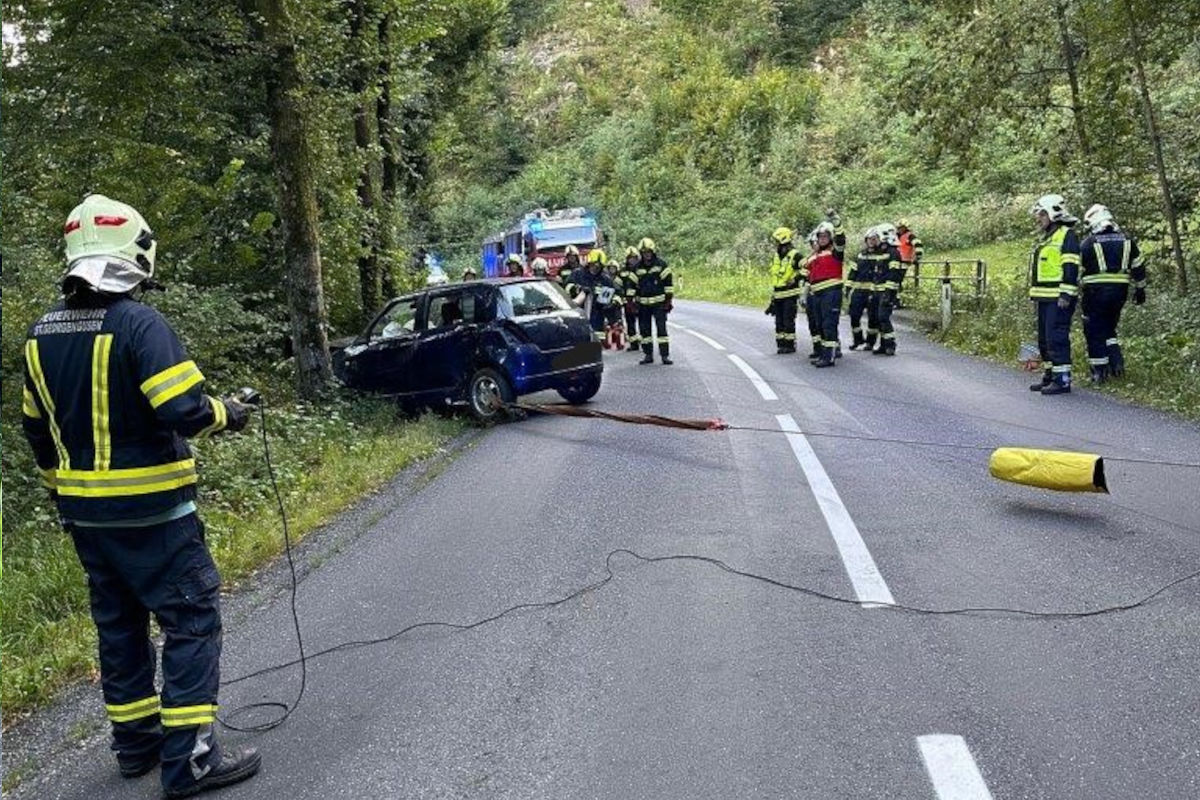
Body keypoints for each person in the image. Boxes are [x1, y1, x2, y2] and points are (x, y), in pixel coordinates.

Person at [21, 194, 261, 798]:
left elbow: (36, 431)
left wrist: (62, 498)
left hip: (87, 519)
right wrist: (228, 413)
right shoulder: (138, 323)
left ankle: (136, 746)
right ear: (135, 254)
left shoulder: (39, 334)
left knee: (120, 627)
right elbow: (179, 407)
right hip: (154, 515)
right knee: (190, 621)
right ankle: (192, 761)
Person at [1079, 204, 1147, 383]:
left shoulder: (1089, 243)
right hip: (1120, 293)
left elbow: (1076, 268)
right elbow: (1138, 266)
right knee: (1109, 327)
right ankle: (1117, 365)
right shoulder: (1127, 241)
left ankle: (1099, 372)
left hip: (1095, 293)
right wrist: (1140, 289)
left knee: (1094, 330)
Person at [1028, 194, 1081, 394]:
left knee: (1056, 338)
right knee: (1044, 339)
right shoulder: (1049, 237)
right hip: (1045, 297)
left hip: (1058, 298)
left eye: (1041, 214)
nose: (1038, 219)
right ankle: (1050, 376)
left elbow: (1070, 266)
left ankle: (1063, 380)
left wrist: (1066, 295)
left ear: (1052, 213)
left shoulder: (1067, 235)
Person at [807, 210, 847, 368]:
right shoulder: (816, 255)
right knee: (820, 324)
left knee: (829, 324)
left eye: (825, 236)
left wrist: (836, 222)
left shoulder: (836, 252)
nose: (822, 239)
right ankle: (824, 353)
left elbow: (841, 238)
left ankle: (829, 357)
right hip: (817, 294)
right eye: (820, 236)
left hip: (831, 293)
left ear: (830, 238)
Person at [634, 237, 674, 365]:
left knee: (661, 331)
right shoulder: (637, 267)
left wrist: (668, 301)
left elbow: (668, 284)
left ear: (653, 252)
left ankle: (664, 356)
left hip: (659, 305)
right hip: (643, 305)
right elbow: (631, 286)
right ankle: (648, 355)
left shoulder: (661, 265)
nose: (647, 254)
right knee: (645, 332)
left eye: (649, 252)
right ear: (641, 253)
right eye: (644, 252)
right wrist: (631, 303)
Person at [565, 249, 617, 343]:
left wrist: (609, 306)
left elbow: (610, 297)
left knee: (597, 338)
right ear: (589, 263)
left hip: (597, 313)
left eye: (599, 266)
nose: (596, 267)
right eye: (594, 264)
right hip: (579, 310)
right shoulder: (578, 274)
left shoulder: (605, 279)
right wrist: (578, 289)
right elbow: (567, 287)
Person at [765, 227, 803, 354]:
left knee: (788, 321)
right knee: (779, 322)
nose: (775, 243)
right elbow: (776, 278)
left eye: (776, 240)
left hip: (790, 295)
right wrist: (773, 298)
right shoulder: (777, 255)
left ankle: (790, 345)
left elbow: (807, 267)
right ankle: (781, 345)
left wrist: (796, 279)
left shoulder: (795, 255)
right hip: (778, 295)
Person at [871, 223, 904, 356]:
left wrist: (888, 293)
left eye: (877, 238)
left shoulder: (893, 253)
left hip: (887, 292)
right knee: (878, 318)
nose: (876, 241)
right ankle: (884, 345)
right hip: (879, 291)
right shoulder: (882, 253)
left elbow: (894, 275)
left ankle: (891, 344)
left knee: (883, 317)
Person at [847, 228, 880, 350]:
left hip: (873, 291)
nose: (871, 242)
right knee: (854, 315)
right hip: (859, 291)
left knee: (873, 318)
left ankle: (870, 343)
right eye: (869, 239)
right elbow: (853, 272)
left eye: (874, 239)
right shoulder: (860, 254)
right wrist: (848, 288)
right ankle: (858, 339)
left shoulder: (880, 255)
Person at [800, 231, 822, 361]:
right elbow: (804, 277)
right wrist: (802, 295)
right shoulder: (810, 258)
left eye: (814, 243)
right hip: (810, 293)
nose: (813, 246)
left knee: (824, 323)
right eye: (812, 244)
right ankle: (817, 347)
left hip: (822, 294)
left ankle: (832, 348)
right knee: (813, 323)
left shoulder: (825, 257)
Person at [894, 219, 923, 307]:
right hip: (894, 262)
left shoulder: (910, 236)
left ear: (906, 228)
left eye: (901, 228)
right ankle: (895, 301)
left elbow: (918, 245)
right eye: (899, 228)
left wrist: (917, 257)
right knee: (894, 282)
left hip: (904, 262)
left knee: (897, 281)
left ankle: (897, 301)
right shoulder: (896, 237)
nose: (899, 229)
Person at [618, 246, 642, 352]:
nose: (632, 260)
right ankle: (634, 344)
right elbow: (617, 285)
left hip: (640, 301)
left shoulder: (641, 269)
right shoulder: (622, 272)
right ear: (627, 259)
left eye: (634, 258)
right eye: (630, 258)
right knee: (630, 322)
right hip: (627, 302)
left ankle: (644, 341)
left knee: (643, 322)